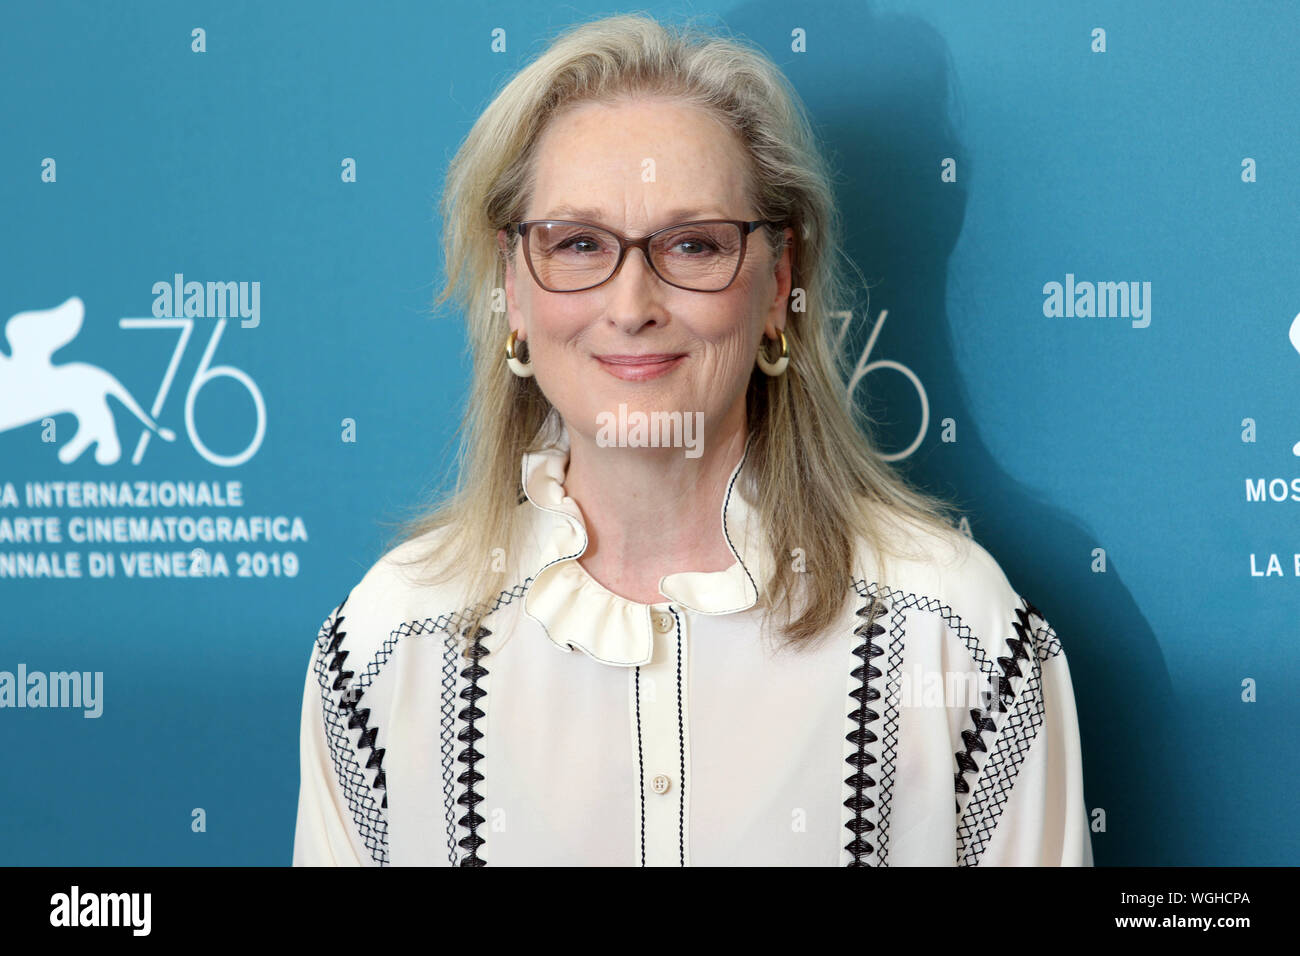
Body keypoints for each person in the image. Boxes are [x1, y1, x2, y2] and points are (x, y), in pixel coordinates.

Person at [292, 13, 1093, 867]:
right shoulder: (384, 646)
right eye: (577, 244)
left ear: (780, 282)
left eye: (694, 244)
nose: (632, 303)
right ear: (513, 293)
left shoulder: (958, 633)